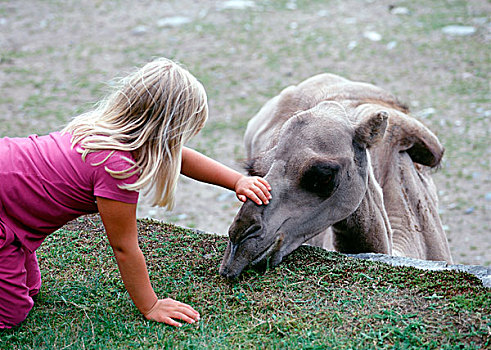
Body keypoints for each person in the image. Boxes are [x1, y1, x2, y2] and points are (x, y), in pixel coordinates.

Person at [0, 58, 272, 329]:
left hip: (13, 212)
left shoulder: (102, 130)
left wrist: (237, 181)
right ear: (164, 132)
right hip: (5, 216)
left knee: (30, 288)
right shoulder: (116, 168)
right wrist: (150, 304)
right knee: (11, 314)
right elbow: (124, 247)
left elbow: (180, 158)